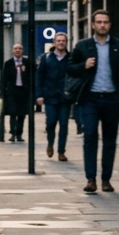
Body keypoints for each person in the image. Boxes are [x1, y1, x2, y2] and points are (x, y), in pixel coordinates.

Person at [68, 11, 119, 193]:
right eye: (99, 22)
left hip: (112, 99)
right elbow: (70, 68)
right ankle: (91, 179)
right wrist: (84, 65)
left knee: (109, 140)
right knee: (90, 136)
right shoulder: (83, 46)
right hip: (90, 98)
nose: (102, 25)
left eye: (105, 22)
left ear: (110, 25)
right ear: (92, 25)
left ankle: (106, 179)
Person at [35, 32, 73, 161]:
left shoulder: (70, 58)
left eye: (63, 41)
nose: (61, 43)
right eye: (59, 41)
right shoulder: (46, 58)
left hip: (65, 97)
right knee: (51, 122)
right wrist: (39, 95)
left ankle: (61, 151)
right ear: (54, 43)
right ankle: (50, 143)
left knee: (64, 124)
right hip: (50, 97)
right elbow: (39, 77)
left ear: (66, 43)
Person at [0, 43, 32, 143]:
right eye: (15, 49)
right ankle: (12, 133)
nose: (17, 50)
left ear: (22, 50)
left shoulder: (27, 63)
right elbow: (4, 78)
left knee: (22, 114)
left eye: (20, 49)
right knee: (13, 112)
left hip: (23, 91)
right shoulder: (8, 63)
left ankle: (19, 133)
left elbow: (31, 77)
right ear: (13, 51)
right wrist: (3, 91)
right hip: (12, 91)